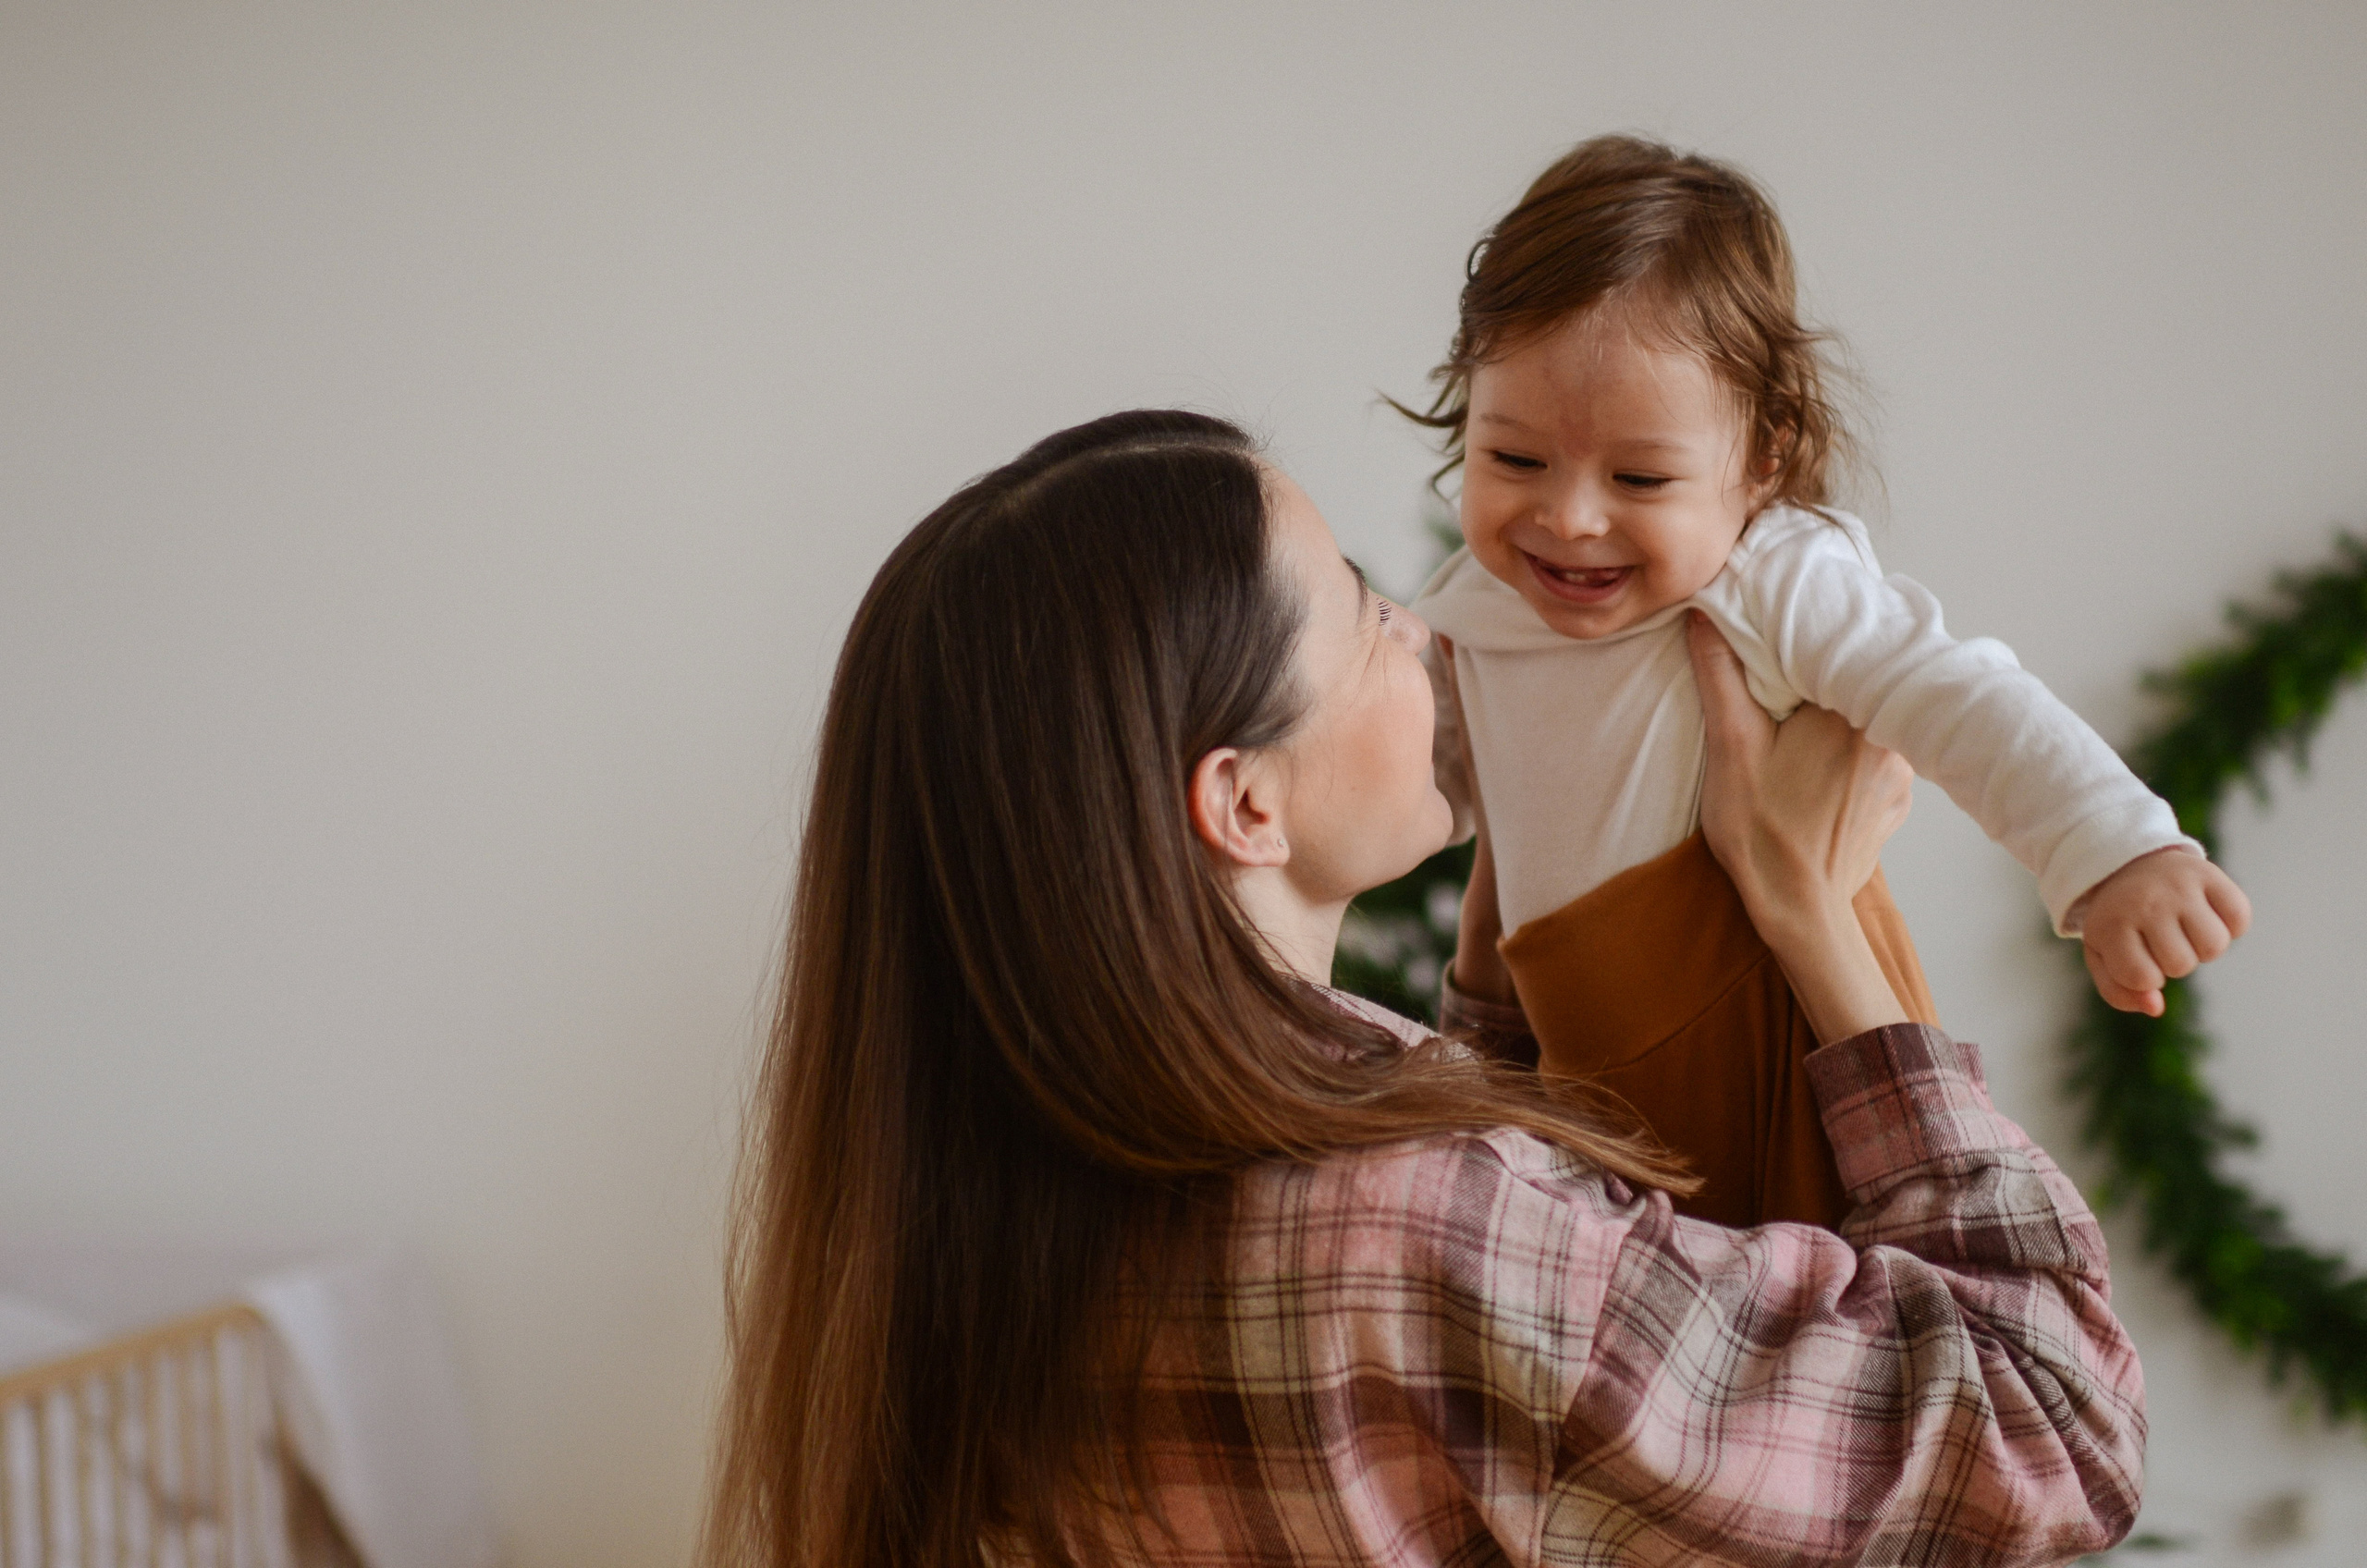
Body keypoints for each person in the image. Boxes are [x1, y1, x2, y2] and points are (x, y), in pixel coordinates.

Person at [702, 410, 2144, 1568]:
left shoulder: (935, 1243)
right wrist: (1813, 918)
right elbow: (2050, 1426)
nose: (1431, 624)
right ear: (1244, 805)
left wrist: (1502, 947)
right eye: (1358, 613)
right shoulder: (1427, 1232)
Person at [1403, 134, 2251, 1227]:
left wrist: (2109, 846)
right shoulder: (1477, 599)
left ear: (1761, 458)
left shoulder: (1773, 576)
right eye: (1511, 459)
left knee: (1824, 1263)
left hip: (1780, 1022)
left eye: (1640, 476)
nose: (1568, 517)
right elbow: (1423, 783)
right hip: (1583, 1047)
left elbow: (1955, 694)